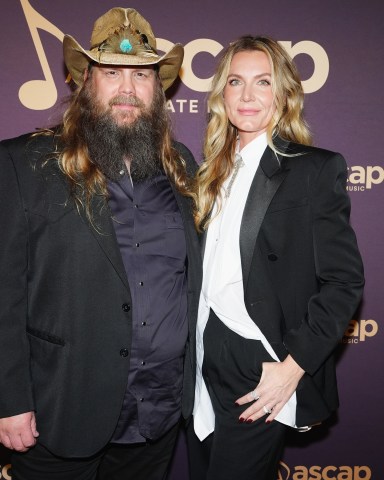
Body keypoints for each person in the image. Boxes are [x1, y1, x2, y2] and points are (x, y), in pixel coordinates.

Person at [0, 7, 201, 480]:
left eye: (142, 76)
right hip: (60, 408)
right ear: (84, 81)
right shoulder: (24, 163)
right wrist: (9, 399)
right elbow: (3, 292)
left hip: (157, 411)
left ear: (159, 90)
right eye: (112, 73)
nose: (128, 89)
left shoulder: (183, 166)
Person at [187, 36, 364, 480]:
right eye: (235, 82)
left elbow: (344, 282)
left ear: (282, 94)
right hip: (203, 357)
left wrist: (293, 369)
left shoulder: (313, 170)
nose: (247, 96)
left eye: (262, 82)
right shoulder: (207, 173)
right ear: (221, 94)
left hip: (263, 362)